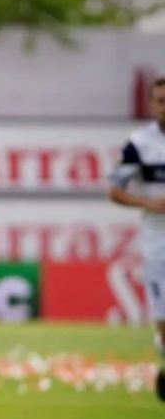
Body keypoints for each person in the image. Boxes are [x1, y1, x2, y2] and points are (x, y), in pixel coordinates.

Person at [109, 76, 165, 401]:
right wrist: (148, 202)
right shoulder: (139, 144)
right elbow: (115, 190)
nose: (164, 106)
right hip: (158, 241)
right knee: (163, 321)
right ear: (151, 104)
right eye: (160, 100)